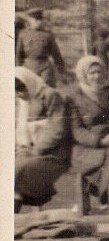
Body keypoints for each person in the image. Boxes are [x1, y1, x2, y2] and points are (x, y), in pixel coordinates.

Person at [68, 54, 109, 213]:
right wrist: (100, 141)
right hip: (87, 146)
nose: (96, 76)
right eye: (91, 73)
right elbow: (76, 130)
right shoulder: (74, 97)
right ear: (83, 74)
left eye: (99, 72)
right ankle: (104, 196)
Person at [14, 66, 72, 211]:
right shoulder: (23, 101)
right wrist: (23, 148)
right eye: (15, 90)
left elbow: (57, 130)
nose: (19, 93)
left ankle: (11, 215)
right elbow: (20, 130)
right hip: (31, 151)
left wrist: (35, 150)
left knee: (20, 169)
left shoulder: (50, 96)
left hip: (54, 153)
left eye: (21, 88)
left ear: (29, 82)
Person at [15, 9, 67, 88]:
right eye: (36, 20)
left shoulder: (48, 35)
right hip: (29, 67)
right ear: (30, 20)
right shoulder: (23, 34)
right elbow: (19, 55)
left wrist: (62, 72)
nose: (39, 22)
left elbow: (56, 55)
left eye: (40, 19)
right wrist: (18, 71)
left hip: (45, 67)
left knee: (47, 90)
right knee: (29, 91)